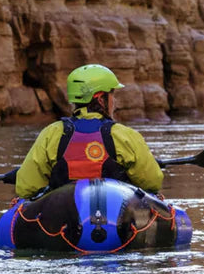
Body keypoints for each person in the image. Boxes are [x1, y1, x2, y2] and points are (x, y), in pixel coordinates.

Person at [15, 64, 163, 199]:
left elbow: (26, 188)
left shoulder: (51, 133)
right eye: (112, 94)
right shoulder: (125, 135)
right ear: (100, 98)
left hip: (64, 218)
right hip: (117, 217)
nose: (114, 100)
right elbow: (152, 183)